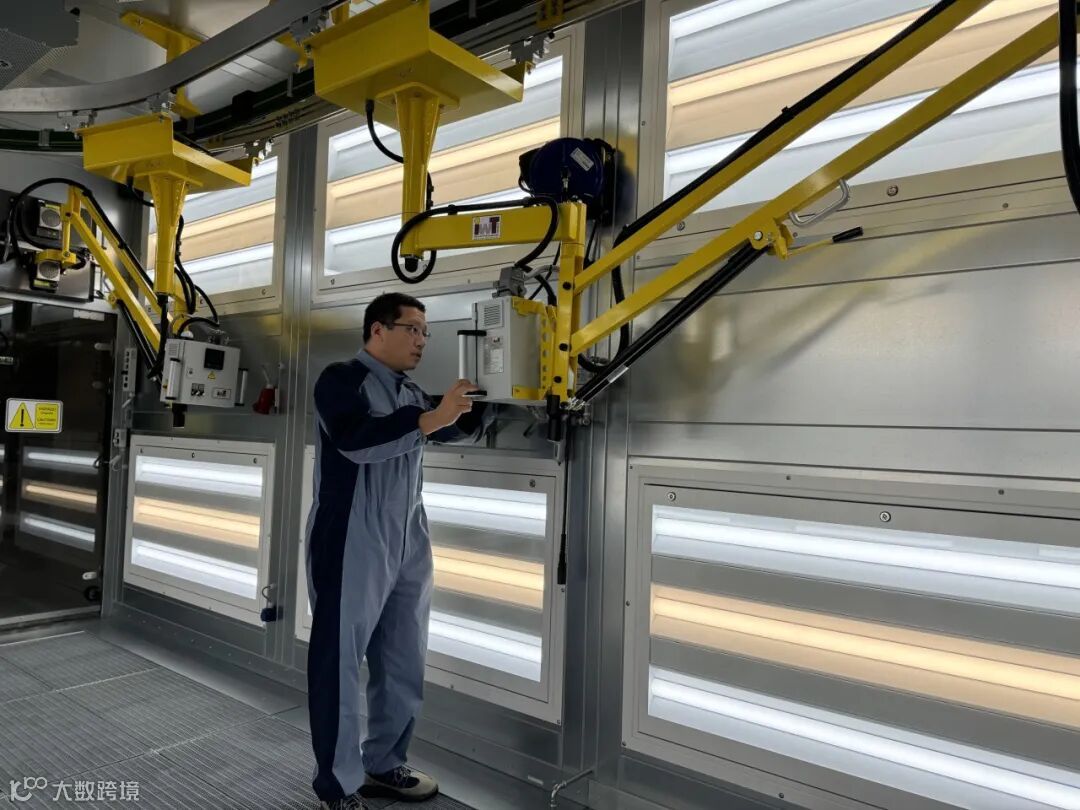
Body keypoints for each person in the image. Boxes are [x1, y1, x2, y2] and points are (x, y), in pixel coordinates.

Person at [305, 292, 491, 810]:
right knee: (339, 662)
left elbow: (455, 427)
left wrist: (489, 388)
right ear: (377, 330)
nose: (421, 341)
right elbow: (356, 440)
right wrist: (433, 417)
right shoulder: (341, 379)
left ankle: (383, 764)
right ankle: (337, 787)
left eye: (425, 333)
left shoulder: (410, 392)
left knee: (403, 656)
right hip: (352, 537)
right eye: (412, 329)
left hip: (408, 536)